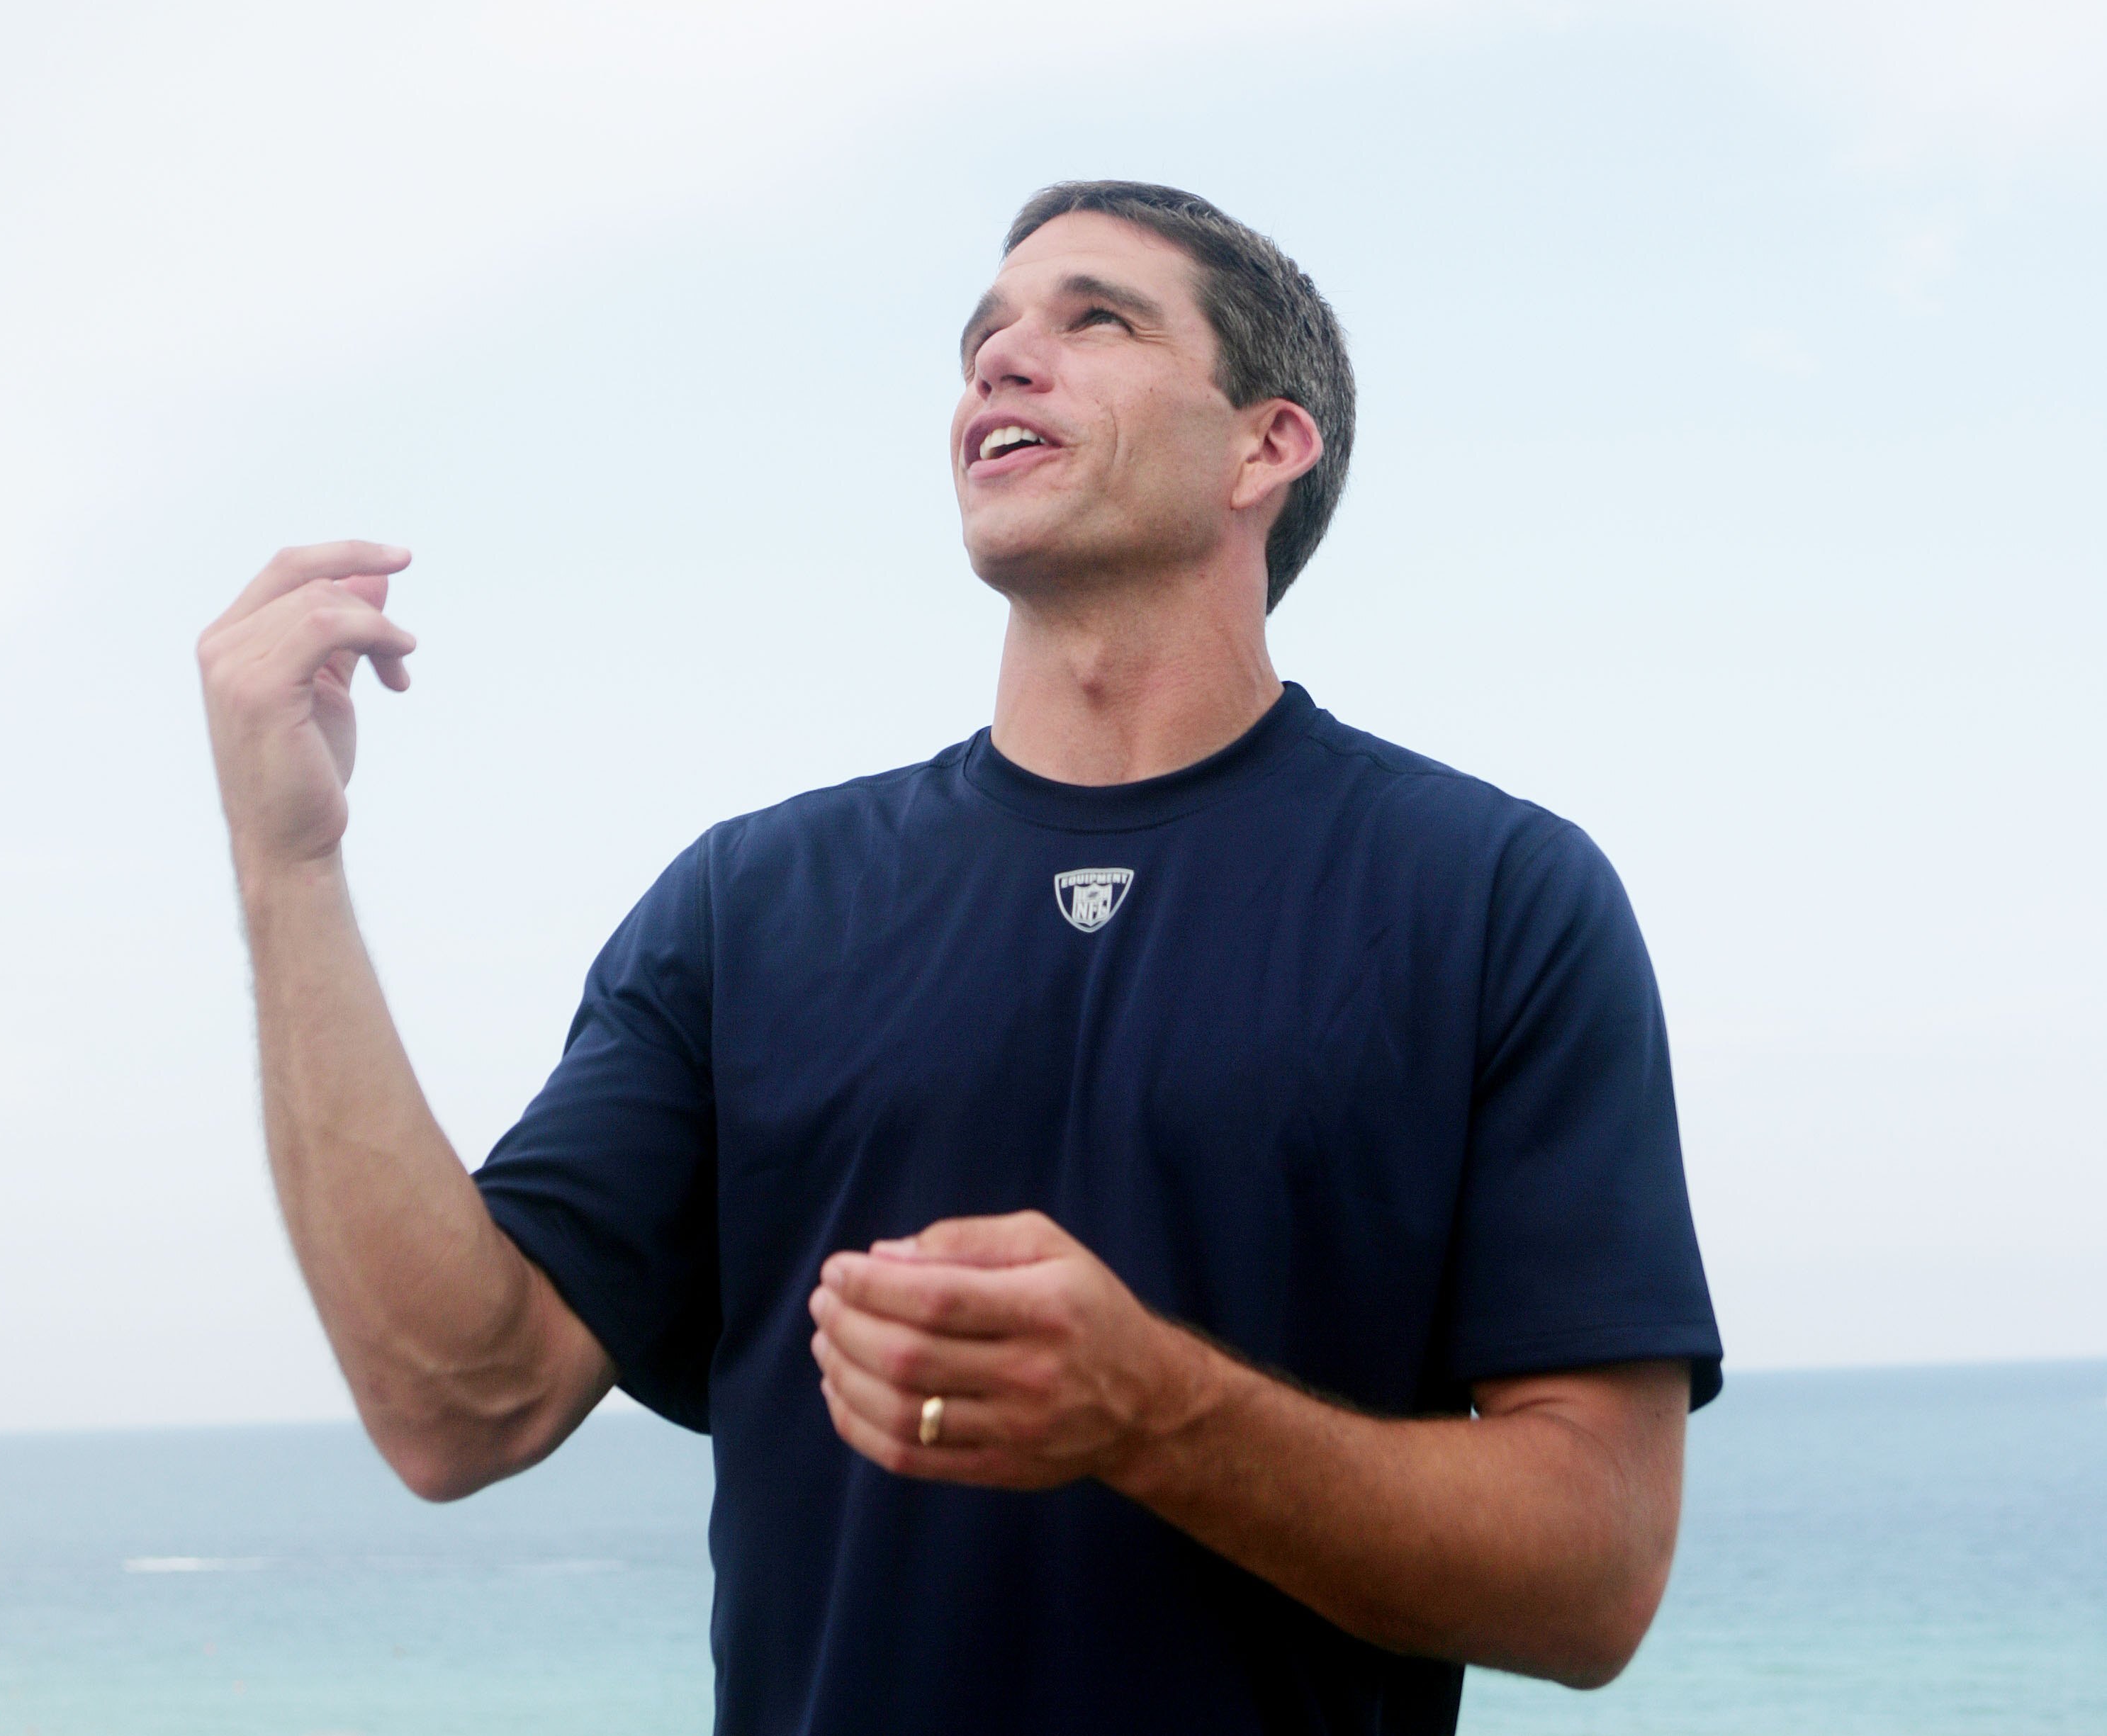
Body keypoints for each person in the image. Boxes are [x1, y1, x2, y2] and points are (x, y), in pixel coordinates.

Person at [196, 179, 1721, 1735]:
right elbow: (459, 1401)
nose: (1000, 363)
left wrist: (1155, 1410)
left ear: (1267, 446)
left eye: (1094, 321)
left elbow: (1590, 1579)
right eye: (983, 339)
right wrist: (289, 863)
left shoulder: (1495, 897)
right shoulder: (752, 904)